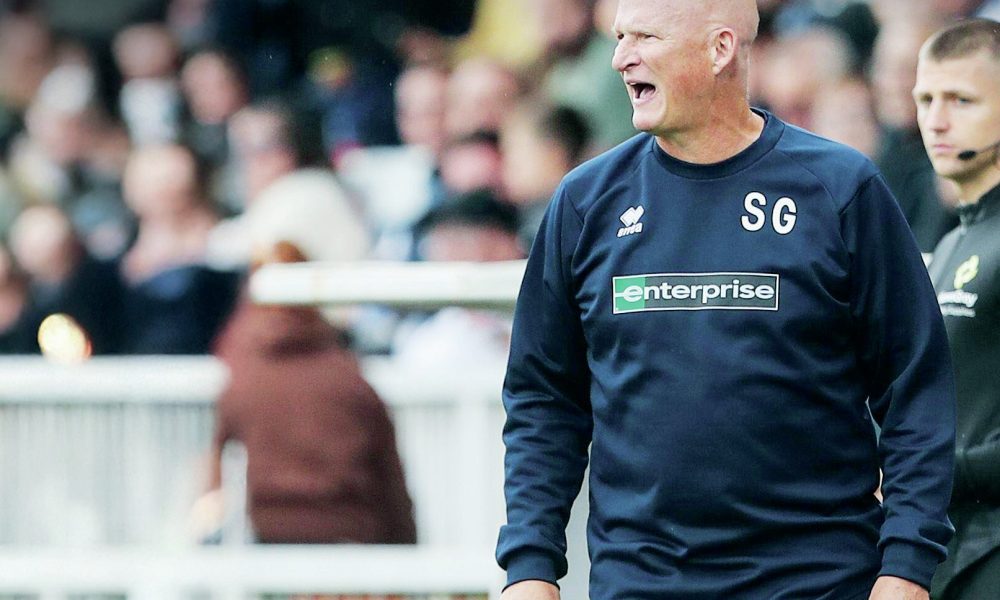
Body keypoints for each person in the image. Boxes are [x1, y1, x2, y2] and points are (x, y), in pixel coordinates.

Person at [496, 1, 956, 599]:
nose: (620, 58)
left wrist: (907, 566)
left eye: (645, 37)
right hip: (640, 586)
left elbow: (915, 388)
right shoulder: (586, 202)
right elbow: (543, 398)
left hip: (818, 584)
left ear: (720, 49)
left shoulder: (840, 189)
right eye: (619, 37)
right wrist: (529, 567)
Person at [199, 240, 417, 545]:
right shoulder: (350, 380)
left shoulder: (240, 380)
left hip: (268, 545)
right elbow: (391, 485)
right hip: (351, 545)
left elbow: (214, 480)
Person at [914, 18, 1000, 600]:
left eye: (961, 100)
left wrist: (929, 473)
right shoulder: (949, 245)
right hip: (951, 553)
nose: (936, 121)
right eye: (925, 99)